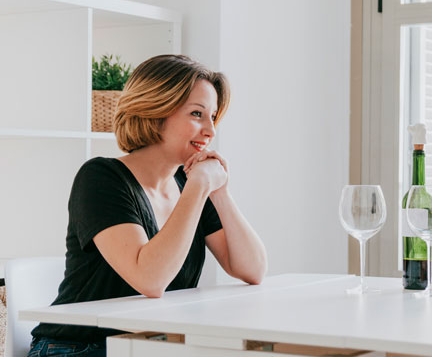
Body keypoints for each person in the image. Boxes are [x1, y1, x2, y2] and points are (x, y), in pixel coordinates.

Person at [28, 54, 268, 357]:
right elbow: (150, 280)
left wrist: (220, 192)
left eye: (213, 117)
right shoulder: (101, 178)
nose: (210, 130)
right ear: (155, 111)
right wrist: (200, 186)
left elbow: (252, 269)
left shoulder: (190, 185)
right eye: (197, 114)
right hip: (77, 348)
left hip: (150, 349)